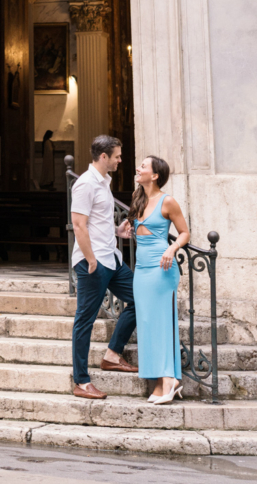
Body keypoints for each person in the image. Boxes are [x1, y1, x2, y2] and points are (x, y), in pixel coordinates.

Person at [69, 133, 137, 400]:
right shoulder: (85, 184)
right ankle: (82, 382)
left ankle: (112, 354)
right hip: (93, 263)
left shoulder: (104, 182)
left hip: (112, 259)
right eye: (118, 156)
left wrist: (117, 231)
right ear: (104, 156)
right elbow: (79, 225)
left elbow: (96, 221)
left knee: (139, 298)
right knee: (84, 320)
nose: (121, 160)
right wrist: (91, 259)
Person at [130, 154, 190, 404]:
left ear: (155, 175)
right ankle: (160, 381)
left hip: (161, 269)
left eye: (143, 166)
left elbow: (185, 232)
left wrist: (171, 248)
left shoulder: (168, 202)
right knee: (146, 323)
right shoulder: (138, 198)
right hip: (141, 270)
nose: (138, 168)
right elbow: (138, 231)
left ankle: (169, 380)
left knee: (163, 323)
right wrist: (126, 229)